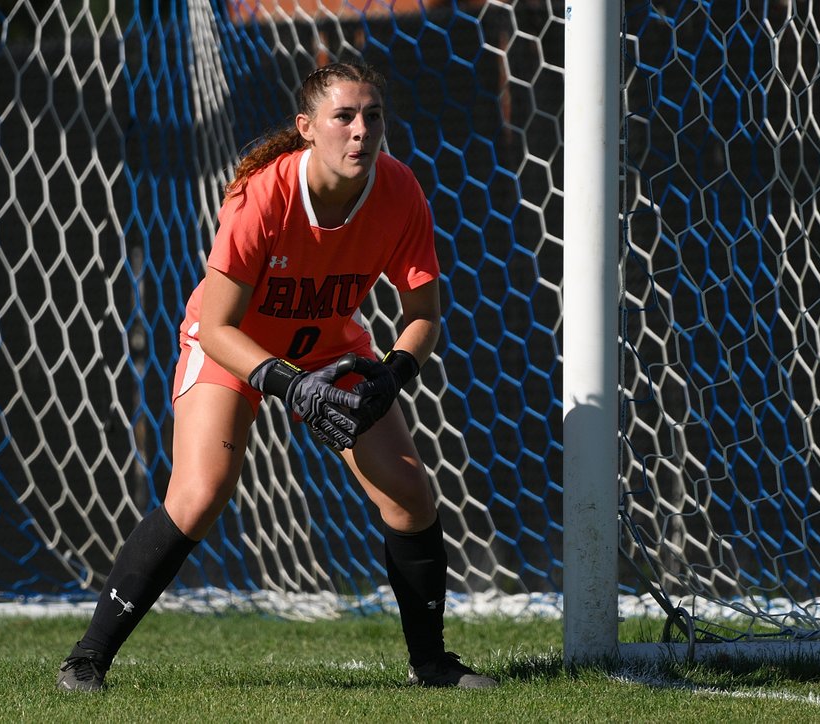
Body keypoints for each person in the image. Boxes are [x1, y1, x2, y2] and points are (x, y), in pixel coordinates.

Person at [57, 62, 497, 692]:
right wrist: (292, 385)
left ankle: (432, 664)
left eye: (373, 116)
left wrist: (392, 375)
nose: (361, 130)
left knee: (409, 494)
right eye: (343, 116)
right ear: (307, 127)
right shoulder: (262, 194)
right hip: (235, 346)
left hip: (329, 350)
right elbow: (216, 328)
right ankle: (87, 658)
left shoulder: (400, 190)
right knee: (200, 494)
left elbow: (423, 316)